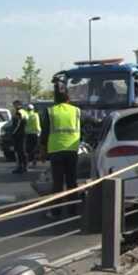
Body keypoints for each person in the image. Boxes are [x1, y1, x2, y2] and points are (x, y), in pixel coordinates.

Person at [41, 84, 81, 219]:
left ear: (55, 100)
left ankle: (56, 212)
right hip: (72, 150)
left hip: (55, 150)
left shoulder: (50, 111)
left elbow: (45, 133)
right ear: (68, 99)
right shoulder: (76, 111)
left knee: (57, 182)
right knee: (72, 181)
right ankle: (73, 210)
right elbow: (90, 122)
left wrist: (42, 150)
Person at [11, 100, 28, 174]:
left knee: (19, 151)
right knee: (22, 151)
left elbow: (17, 124)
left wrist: (13, 132)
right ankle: (25, 166)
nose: (14, 106)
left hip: (18, 134)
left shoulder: (19, 112)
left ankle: (20, 167)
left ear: (18, 105)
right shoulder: (24, 111)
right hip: (23, 133)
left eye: (14, 105)